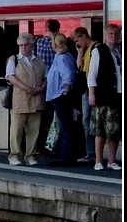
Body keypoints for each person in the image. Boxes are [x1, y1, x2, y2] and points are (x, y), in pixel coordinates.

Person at [5, 32, 46, 166]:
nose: (23, 47)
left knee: (34, 129)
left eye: (26, 45)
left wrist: (41, 88)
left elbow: (46, 77)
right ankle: (14, 154)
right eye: (21, 45)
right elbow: (10, 77)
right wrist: (26, 88)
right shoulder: (14, 59)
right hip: (20, 99)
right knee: (17, 129)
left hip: (36, 100)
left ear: (31, 45)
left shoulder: (39, 61)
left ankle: (30, 155)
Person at [88, 23, 122, 171]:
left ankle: (112, 160)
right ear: (106, 35)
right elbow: (92, 74)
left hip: (117, 95)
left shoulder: (120, 50)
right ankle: (99, 160)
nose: (114, 37)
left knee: (114, 130)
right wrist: (91, 93)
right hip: (103, 94)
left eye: (116, 34)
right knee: (100, 130)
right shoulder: (99, 51)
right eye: (111, 34)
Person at [45, 32, 77, 166]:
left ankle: (66, 156)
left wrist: (65, 89)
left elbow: (68, 74)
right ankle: (64, 154)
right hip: (59, 95)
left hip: (61, 96)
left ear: (55, 44)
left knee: (65, 126)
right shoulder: (64, 56)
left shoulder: (62, 58)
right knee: (65, 125)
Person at [71, 26, 99, 163]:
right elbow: (79, 67)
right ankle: (90, 151)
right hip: (86, 90)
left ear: (83, 36)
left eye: (78, 40)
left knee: (90, 121)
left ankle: (92, 152)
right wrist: (80, 52)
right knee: (86, 121)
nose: (77, 44)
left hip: (91, 90)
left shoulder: (95, 49)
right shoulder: (86, 50)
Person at [34, 19, 61, 153]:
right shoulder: (57, 44)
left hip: (40, 82)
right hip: (55, 85)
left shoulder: (39, 42)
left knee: (40, 115)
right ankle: (51, 144)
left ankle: (38, 144)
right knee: (53, 116)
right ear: (58, 29)